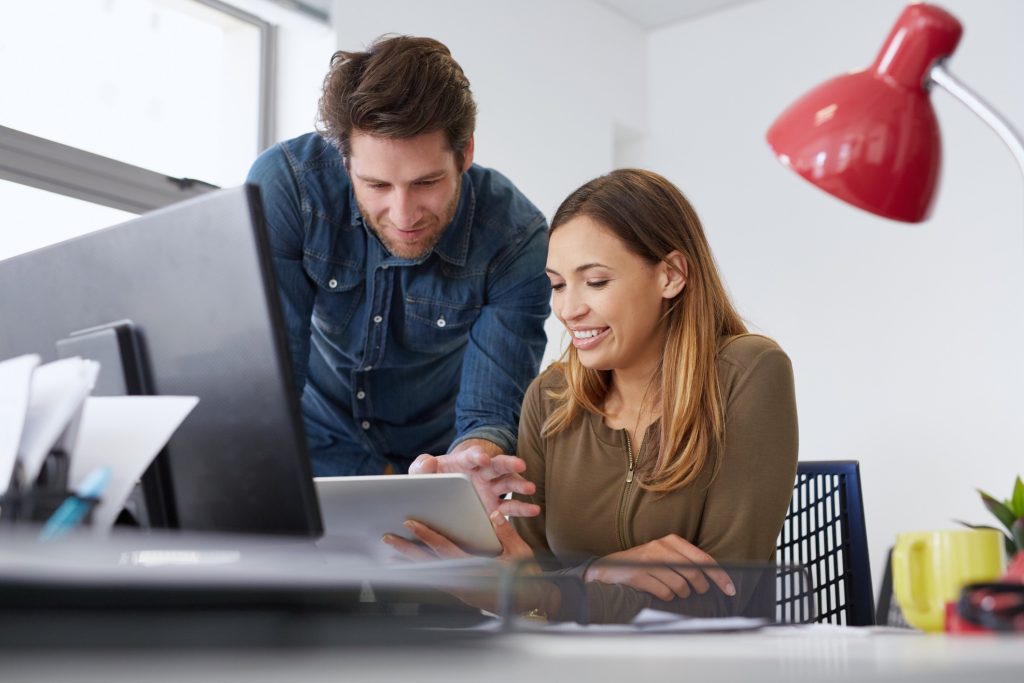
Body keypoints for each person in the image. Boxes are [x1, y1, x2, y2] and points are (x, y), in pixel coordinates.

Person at [388, 169, 799, 622]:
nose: (568, 309)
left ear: (672, 275)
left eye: (596, 282)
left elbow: (724, 592)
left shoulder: (749, 372)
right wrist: (593, 573)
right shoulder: (550, 399)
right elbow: (530, 570)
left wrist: (553, 594)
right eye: (558, 284)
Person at [245, 35, 550, 496]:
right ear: (344, 161)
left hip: (435, 466)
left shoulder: (516, 238)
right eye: (377, 185)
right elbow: (271, 371)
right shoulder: (288, 188)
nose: (404, 215)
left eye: (426, 182)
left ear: (465, 152)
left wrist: (476, 458)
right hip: (312, 447)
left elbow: (489, 411)